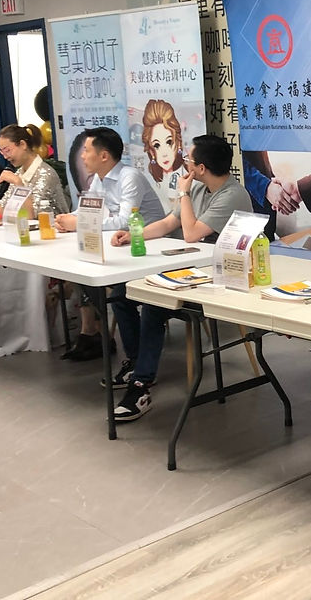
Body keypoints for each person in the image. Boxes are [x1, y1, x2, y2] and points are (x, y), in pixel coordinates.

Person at [106, 134, 253, 421]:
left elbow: (191, 234)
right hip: (189, 269)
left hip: (220, 277)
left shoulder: (232, 195)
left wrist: (183, 194)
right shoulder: (199, 187)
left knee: (152, 304)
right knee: (122, 294)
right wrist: (134, 235)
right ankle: (137, 364)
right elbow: (167, 223)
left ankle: (140, 385)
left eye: (189, 160)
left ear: (201, 168)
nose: (185, 163)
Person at [55, 127, 165, 361]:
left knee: (118, 295)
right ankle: (100, 336)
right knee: (84, 274)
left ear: (103, 155)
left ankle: (135, 357)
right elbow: (89, 210)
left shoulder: (129, 177)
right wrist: (68, 219)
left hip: (151, 244)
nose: (82, 156)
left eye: (87, 150)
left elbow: (125, 220)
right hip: (121, 243)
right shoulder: (99, 178)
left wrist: (78, 223)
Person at [0, 124, 71, 216]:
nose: (6, 157)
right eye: (2, 152)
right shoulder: (19, 173)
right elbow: (4, 205)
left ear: (23, 144)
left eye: (7, 151)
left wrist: (18, 183)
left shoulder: (46, 174)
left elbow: (31, 215)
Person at [141, 99, 186, 204]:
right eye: (156, 145)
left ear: (178, 142)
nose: (164, 153)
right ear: (151, 151)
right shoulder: (149, 183)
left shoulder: (190, 177)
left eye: (169, 142)